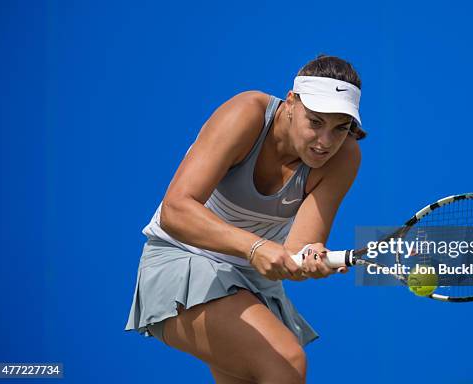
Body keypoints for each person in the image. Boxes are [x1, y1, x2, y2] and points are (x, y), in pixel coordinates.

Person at [125, 54, 365, 384]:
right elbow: (175, 211)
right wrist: (255, 248)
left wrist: (309, 259)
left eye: (340, 128)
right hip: (182, 263)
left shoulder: (345, 156)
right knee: (286, 361)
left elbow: (297, 252)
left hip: (252, 285)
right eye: (315, 122)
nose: (325, 143)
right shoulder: (247, 114)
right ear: (292, 102)